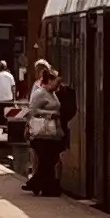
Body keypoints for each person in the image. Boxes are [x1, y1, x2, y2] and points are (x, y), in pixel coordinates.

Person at [21, 53, 70, 194]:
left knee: (49, 160)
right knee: (46, 160)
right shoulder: (40, 93)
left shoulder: (52, 93)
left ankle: (40, 185)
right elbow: (33, 110)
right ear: (49, 81)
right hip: (41, 133)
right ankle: (42, 185)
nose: (58, 86)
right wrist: (51, 114)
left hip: (51, 133)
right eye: (56, 83)